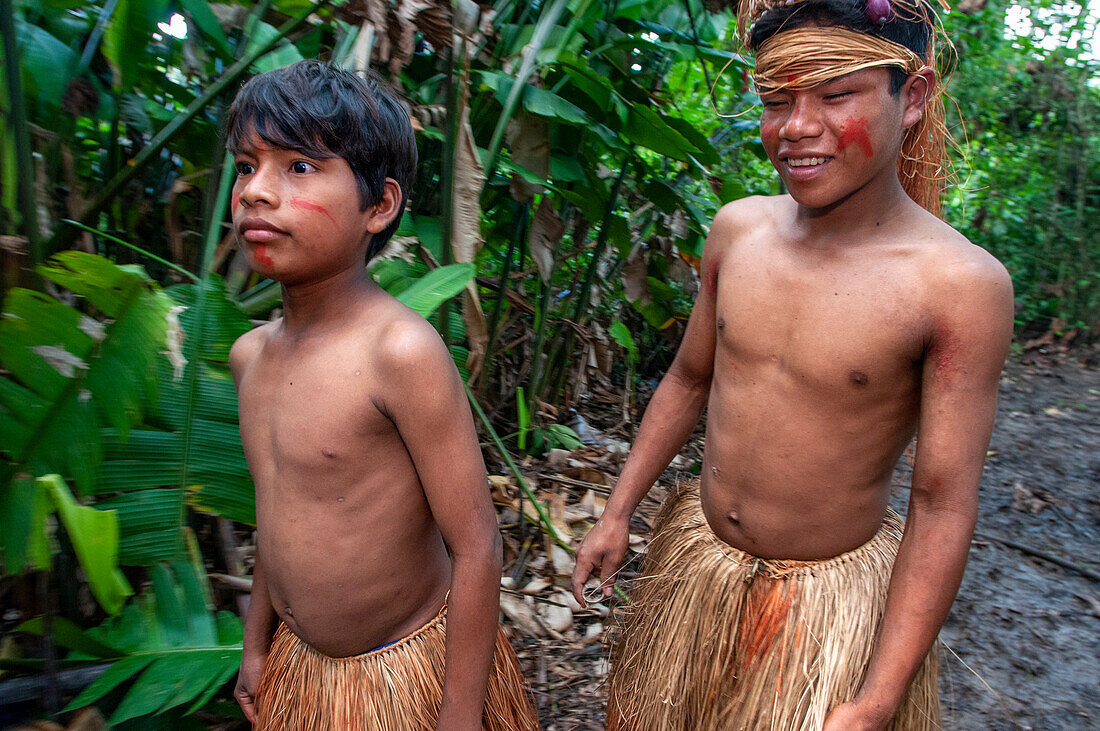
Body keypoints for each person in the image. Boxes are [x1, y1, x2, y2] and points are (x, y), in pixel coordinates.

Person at [571, 0, 1014, 728]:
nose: (799, 127)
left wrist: (877, 698)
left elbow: (941, 502)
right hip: (698, 567)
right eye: (778, 100)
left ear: (916, 98)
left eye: (836, 95)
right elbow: (688, 378)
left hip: (821, 610)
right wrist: (617, 512)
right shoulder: (739, 231)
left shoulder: (957, 286)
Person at [227, 60, 537, 731]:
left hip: (404, 678)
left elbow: (478, 543)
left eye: (297, 167)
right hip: (305, 671)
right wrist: (256, 646)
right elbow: (274, 517)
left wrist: (458, 716)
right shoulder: (249, 357)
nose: (256, 190)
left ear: (380, 206)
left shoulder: (398, 353)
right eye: (247, 165)